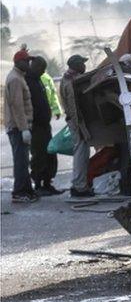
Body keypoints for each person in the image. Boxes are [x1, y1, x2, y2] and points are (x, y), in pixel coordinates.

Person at [26, 57, 61, 195]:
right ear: (34, 67)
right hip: (36, 126)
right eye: (40, 68)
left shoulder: (38, 79)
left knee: (50, 153)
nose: (42, 71)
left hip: (45, 124)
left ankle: (47, 183)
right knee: (39, 154)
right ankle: (38, 185)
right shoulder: (28, 81)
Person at [59, 54, 94, 198]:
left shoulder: (68, 78)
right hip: (76, 122)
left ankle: (78, 184)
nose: (85, 66)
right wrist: (80, 127)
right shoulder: (71, 82)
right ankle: (79, 187)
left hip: (74, 122)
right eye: (83, 63)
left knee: (82, 152)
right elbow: (73, 108)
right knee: (81, 153)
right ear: (77, 65)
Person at [5, 47, 36, 203]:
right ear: (19, 62)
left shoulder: (19, 76)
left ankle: (27, 190)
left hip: (19, 127)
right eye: (27, 61)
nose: (29, 64)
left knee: (23, 160)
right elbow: (17, 106)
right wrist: (24, 129)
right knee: (20, 161)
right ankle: (18, 192)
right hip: (18, 128)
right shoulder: (16, 79)